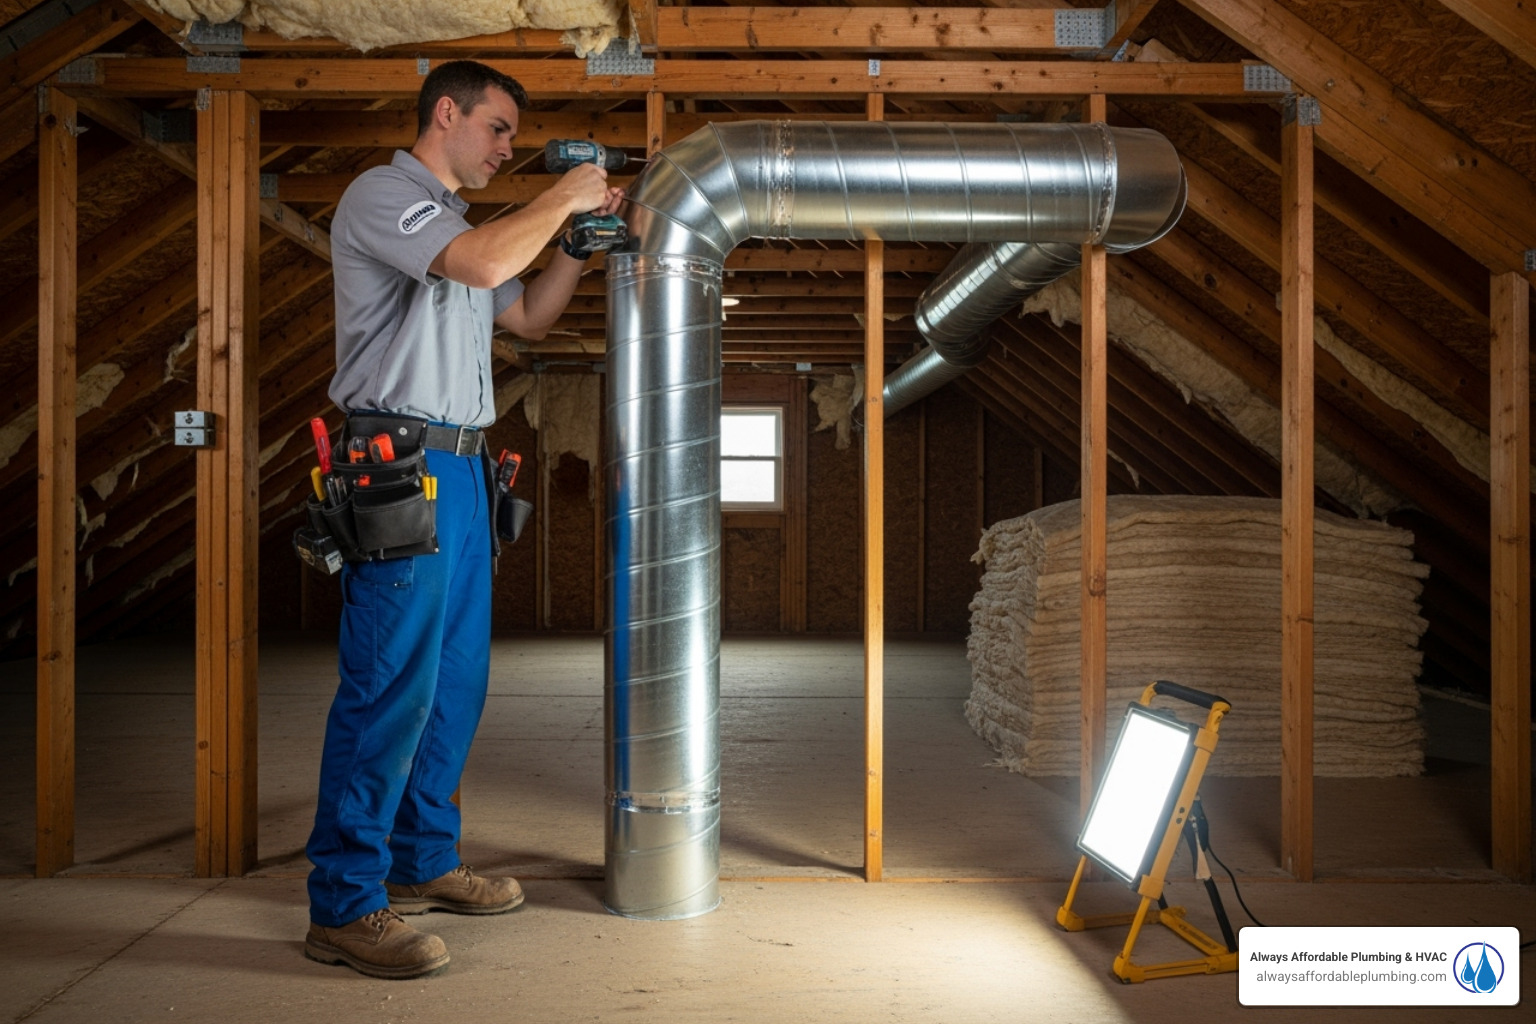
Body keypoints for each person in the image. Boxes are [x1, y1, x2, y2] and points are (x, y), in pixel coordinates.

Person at [303, 60, 623, 980]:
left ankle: (423, 862)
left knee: (454, 685)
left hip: (466, 467)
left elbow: (525, 316)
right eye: (498, 129)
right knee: (387, 685)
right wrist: (562, 194)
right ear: (446, 112)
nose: (507, 148)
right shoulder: (383, 195)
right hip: (400, 467)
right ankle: (345, 904)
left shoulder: (456, 227)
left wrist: (574, 240)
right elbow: (485, 262)